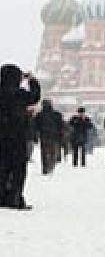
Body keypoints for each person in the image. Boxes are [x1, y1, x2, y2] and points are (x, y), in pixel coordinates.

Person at [0, 64, 41, 209]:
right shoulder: (20, 94)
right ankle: (14, 197)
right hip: (17, 137)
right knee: (17, 169)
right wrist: (31, 80)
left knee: (2, 167)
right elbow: (35, 97)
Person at [33, 99, 65, 175]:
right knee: (53, 152)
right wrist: (61, 135)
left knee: (44, 152)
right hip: (54, 136)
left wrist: (35, 136)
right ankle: (51, 165)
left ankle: (45, 168)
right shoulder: (57, 114)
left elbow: (35, 127)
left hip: (44, 135)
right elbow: (61, 126)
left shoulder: (39, 115)